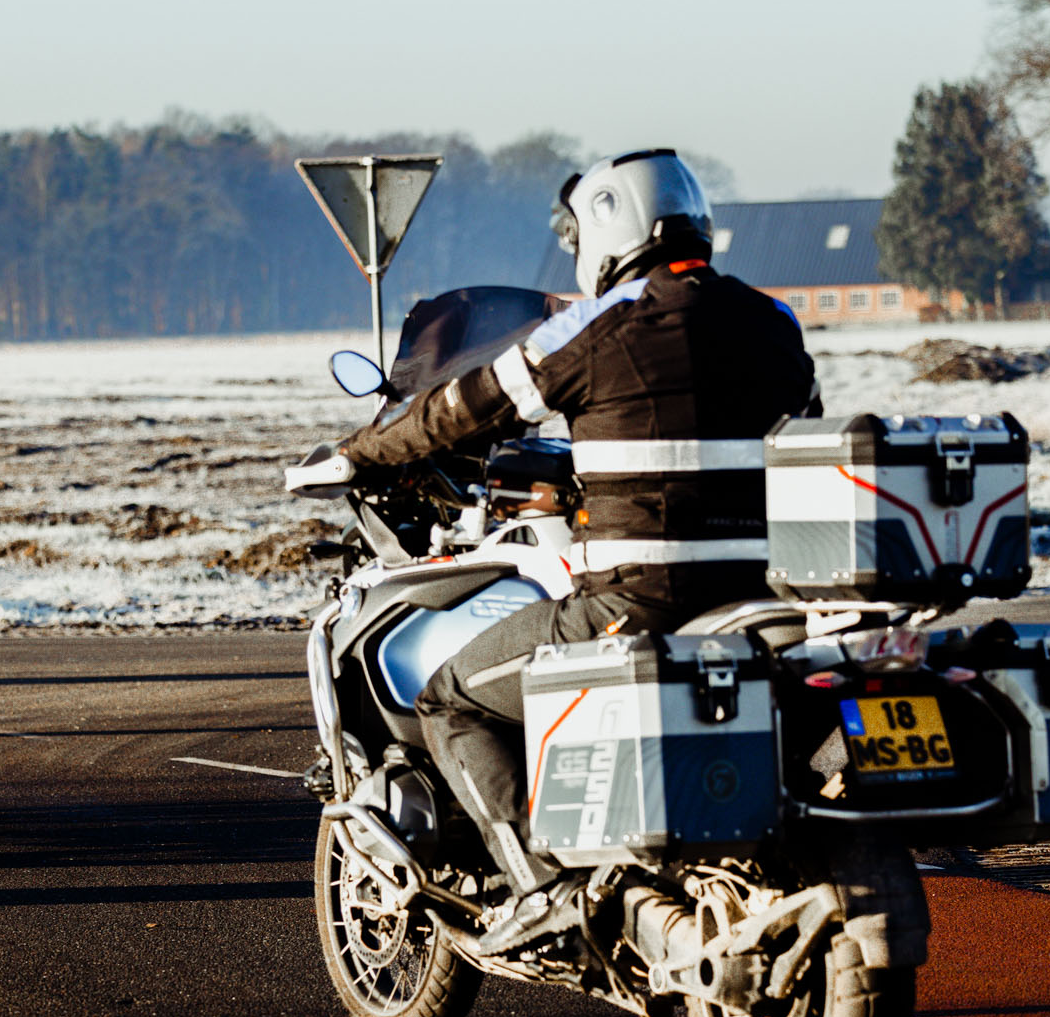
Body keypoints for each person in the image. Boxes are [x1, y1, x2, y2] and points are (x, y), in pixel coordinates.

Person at [301, 150, 819, 948]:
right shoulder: (772, 322)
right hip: (761, 596)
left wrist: (362, 452)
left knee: (452, 697)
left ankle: (540, 886)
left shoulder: (597, 324)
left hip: (638, 600)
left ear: (607, 226)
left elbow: (463, 407)